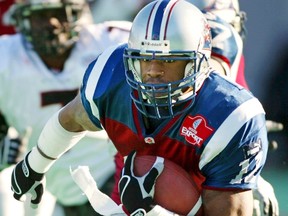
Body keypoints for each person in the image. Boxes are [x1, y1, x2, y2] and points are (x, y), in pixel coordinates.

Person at [11, 0, 269, 215]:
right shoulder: (111, 78)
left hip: (201, 182)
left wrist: (157, 213)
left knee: (223, 46)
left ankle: (251, 184)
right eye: (145, 59)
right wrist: (34, 165)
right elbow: (71, 119)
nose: (153, 72)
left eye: (168, 61)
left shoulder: (230, 116)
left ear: (195, 64)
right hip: (133, 170)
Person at [0, 0, 131, 215]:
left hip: (119, 175)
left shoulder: (112, 41)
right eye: (40, 16)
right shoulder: (6, 58)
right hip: (61, 193)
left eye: (59, 13)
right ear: (24, 18)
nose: (51, 23)